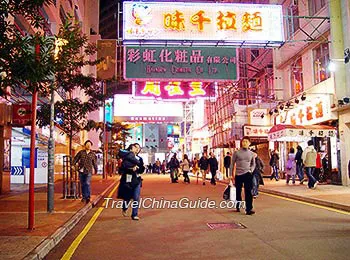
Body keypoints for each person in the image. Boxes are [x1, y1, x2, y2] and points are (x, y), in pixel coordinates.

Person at [117, 143, 144, 220]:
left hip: (137, 180)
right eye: (135, 147)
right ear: (131, 149)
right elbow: (122, 169)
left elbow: (142, 169)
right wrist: (131, 169)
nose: (137, 149)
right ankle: (124, 208)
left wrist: (138, 169)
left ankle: (134, 214)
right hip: (128, 180)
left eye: (138, 148)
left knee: (136, 197)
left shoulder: (140, 159)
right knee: (127, 197)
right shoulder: (126, 158)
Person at [231, 136, 256, 215]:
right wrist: (231, 175)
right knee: (238, 191)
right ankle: (238, 205)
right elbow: (232, 164)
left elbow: (253, 164)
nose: (244, 143)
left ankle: (249, 209)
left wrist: (250, 170)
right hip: (238, 174)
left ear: (249, 143)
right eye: (243, 141)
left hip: (247, 174)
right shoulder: (236, 153)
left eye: (246, 142)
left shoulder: (252, 154)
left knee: (248, 192)